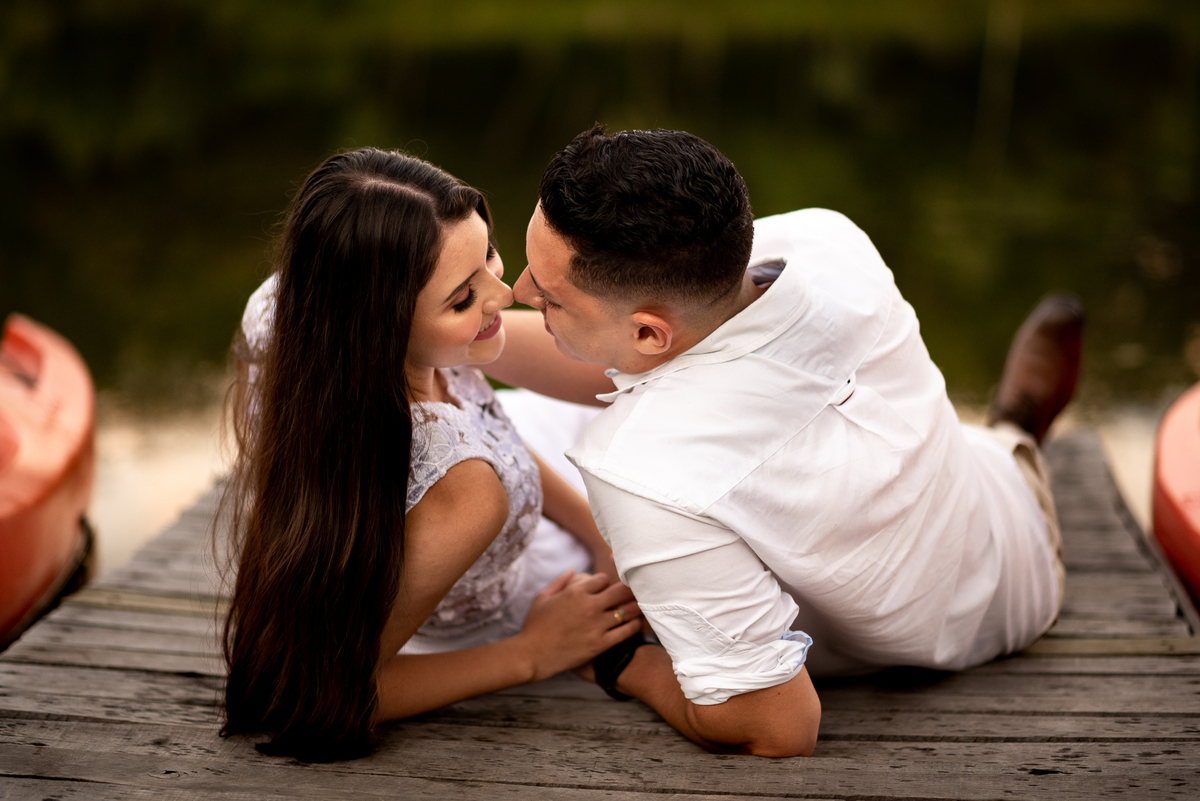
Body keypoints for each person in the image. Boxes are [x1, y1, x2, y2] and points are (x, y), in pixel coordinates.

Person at [483, 126, 1083, 757]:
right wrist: (474, 344)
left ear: (650, 336)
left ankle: (1021, 424)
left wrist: (618, 661)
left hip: (1007, 601)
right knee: (968, 441)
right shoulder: (825, 240)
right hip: (966, 488)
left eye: (546, 298)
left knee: (1012, 447)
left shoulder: (643, 472)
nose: (514, 293)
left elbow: (776, 725)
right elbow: (633, 345)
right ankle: (1012, 428)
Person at [219, 147, 642, 761]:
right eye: (462, 299)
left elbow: (485, 425)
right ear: (381, 327)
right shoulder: (467, 491)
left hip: (452, 532)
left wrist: (593, 526)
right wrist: (531, 654)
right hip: (451, 632)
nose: (505, 295)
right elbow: (308, 695)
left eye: (489, 254)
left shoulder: (291, 304)